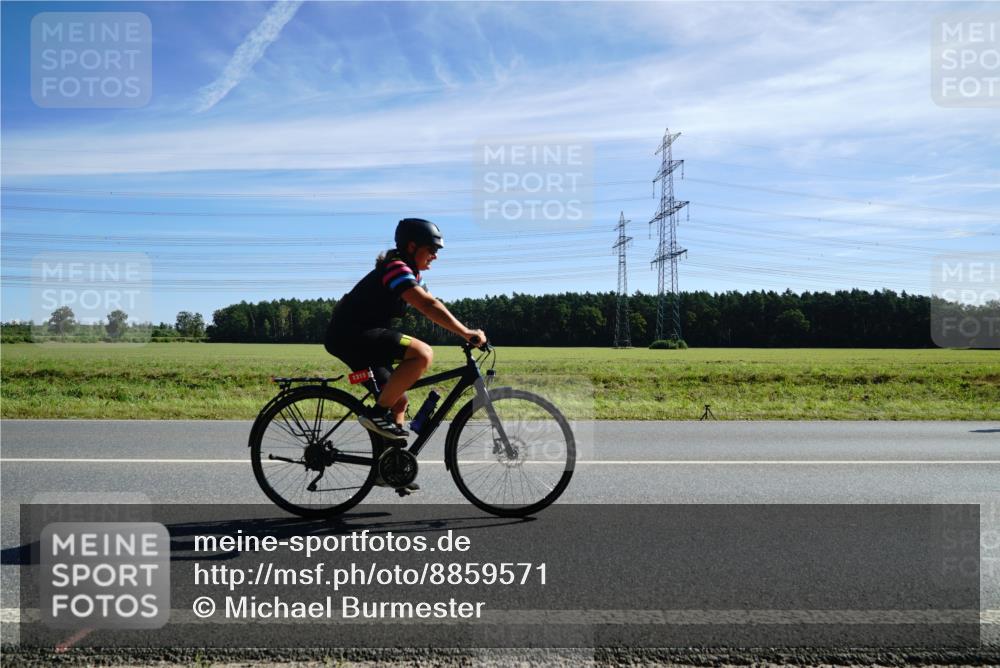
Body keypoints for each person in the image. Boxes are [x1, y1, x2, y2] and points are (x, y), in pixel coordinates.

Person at [324, 218, 487, 440]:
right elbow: (428, 305)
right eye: (431, 249)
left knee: (398, 401)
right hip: (353, 334)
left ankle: (390, 467)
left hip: (356, 336)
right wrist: (466, 332)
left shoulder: (408, 272)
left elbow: (431, 301)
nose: (435, 255)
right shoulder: (396, 268)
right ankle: (376, 415)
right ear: (412, 247)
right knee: (422, 353)